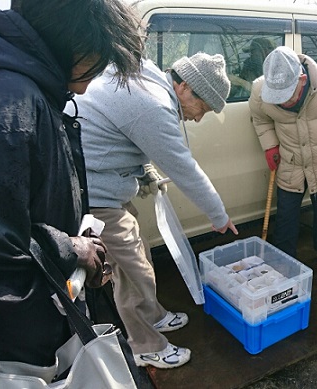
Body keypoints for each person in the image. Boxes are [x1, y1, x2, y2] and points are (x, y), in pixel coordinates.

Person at [0, 0, 144, 381]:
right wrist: (74, 250)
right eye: (101, 60)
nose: (96, 80)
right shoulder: (8, 101)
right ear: (78, 43)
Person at [65, 52, 238, 369]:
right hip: (94, 194)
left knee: (139, 251)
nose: (198, 118)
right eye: (203, 108)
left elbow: (123, 132)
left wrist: (146, 173)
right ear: (185, 87)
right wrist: (219, 215)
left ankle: (154, 316)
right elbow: (186, 170)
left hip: (102, 186)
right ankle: (145, 346)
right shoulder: (155, 105)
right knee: (134, 272)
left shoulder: (146, 80)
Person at [249, 46, 317, 272]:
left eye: (286, 95)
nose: (282, 102)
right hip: (290, 159)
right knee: (287, 214)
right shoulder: (259, 90)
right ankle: (282, 259)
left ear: (301, 79)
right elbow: (260, 119)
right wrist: (270, 146)